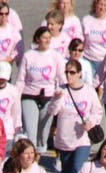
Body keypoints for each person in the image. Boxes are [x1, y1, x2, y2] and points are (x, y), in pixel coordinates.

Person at [47, 59, 103, 173]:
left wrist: (90, 123)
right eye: (67, 72)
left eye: (72, 72)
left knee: (77, 168)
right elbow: (52, 111)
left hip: (83, 139)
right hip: (64, 138)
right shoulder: (62, 91)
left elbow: (97, 112)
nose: (69, 75)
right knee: (66, 172)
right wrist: (56, 98)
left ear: (79, 73)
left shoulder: (89, 91)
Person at [15, 26, 62, 154]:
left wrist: (59, 94)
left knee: (43, 131)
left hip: (48, 97)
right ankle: (30, 157)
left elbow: (61, 79)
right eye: (43, 38)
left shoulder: (56, 56)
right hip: (29, 95)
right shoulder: (28, 55)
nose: (46, 40)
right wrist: (15, 97)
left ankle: (39, 154)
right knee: (30, 130)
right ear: (37, 39)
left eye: (48, 38)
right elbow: (20, 79)